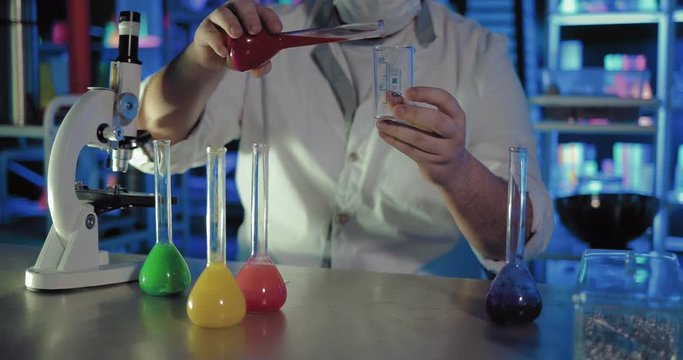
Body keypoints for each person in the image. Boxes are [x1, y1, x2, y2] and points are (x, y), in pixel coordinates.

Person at [132, 0, 554, 277]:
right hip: (272, 307)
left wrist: (457, 171)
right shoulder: (271, 33)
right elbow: (159, 140)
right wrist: (200, 63)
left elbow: (515, 239)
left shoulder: (478, 54)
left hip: (421, 322)